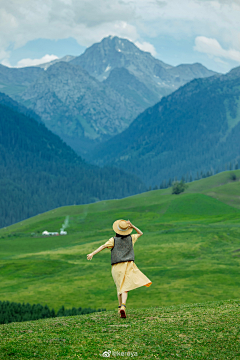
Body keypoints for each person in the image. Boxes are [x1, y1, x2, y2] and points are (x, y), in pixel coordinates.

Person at [87, 219, 152, 318]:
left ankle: (119, 307)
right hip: (129, 265)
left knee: (119, 287)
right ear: (127, 230)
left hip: (116, 266)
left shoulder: (113, 240)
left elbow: (103, 246)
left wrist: (92, 253)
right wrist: (133, 226)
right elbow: (141, 233)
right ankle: (123, 306)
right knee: (125, 287)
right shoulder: (131, 238)